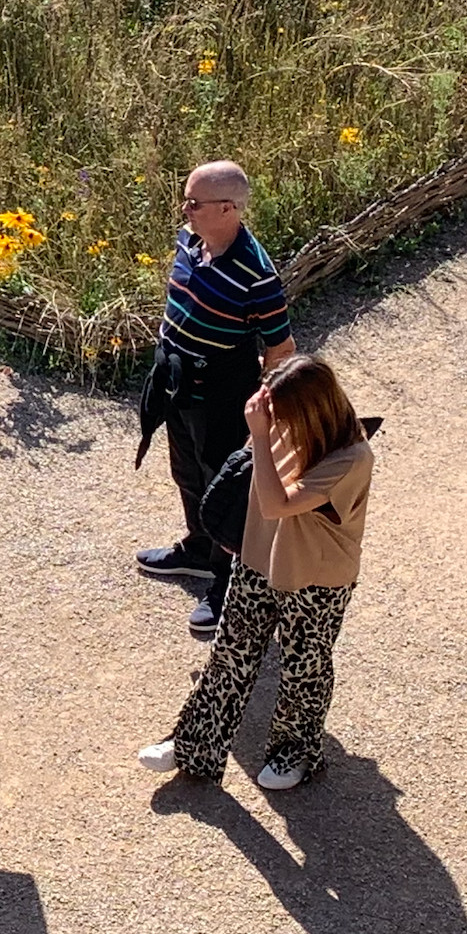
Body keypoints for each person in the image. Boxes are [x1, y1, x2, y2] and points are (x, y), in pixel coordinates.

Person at [139, 354, 373, 790]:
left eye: (281, 413)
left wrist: (261, 437)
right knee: (229, 653)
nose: (273, 419)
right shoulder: (281, 424)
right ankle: (193, 745)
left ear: (311, 411)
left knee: (304, 668)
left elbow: (277, 503)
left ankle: (295, 753)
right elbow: (249, 478)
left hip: (316, 577)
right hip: (257, 559)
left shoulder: (352, 458)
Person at [136, 161, 298, 636]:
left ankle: (227, 582)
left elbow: (281, 346)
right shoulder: (190, 241)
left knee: (225, 488)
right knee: (186, 471)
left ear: (228, 209)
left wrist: (260, 402)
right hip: (179, 383)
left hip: (222, 393)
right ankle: (197, 549)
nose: (184, 209)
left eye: (194, 203)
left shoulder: (256, 273)